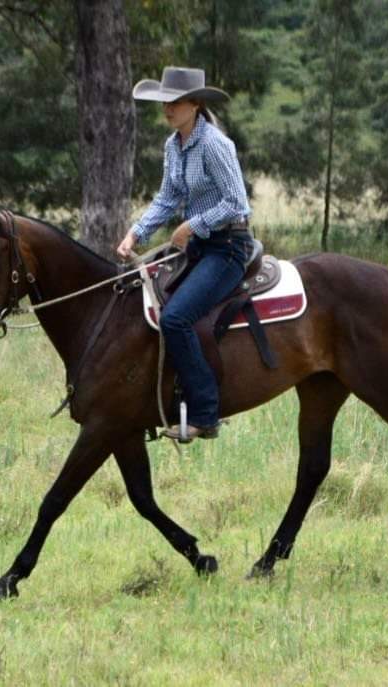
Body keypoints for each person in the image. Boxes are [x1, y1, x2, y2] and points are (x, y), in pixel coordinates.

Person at [116, 66, 253, 442]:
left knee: (175, 318)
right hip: (200, 246)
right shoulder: (173, 145)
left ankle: (205, 414)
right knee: (145, 298)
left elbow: (237, 202)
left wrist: (192, 225)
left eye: (174, 102)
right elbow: (167, 198)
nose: (167, 109)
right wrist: (136, 233)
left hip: (228, 247)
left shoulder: (213, 144)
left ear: (195, 104)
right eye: (164, 102)